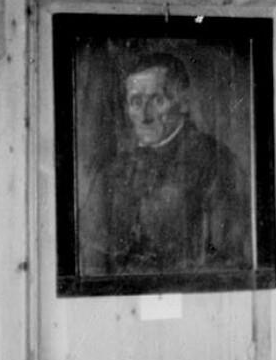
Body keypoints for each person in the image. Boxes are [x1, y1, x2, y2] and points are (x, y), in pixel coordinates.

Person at [77, 51, 251, 277]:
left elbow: (232, 259)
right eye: (136, 102)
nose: (144, 115)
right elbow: (91, 258)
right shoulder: (113, 170)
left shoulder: (216, 163)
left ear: (184, 103)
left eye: (157, 100)